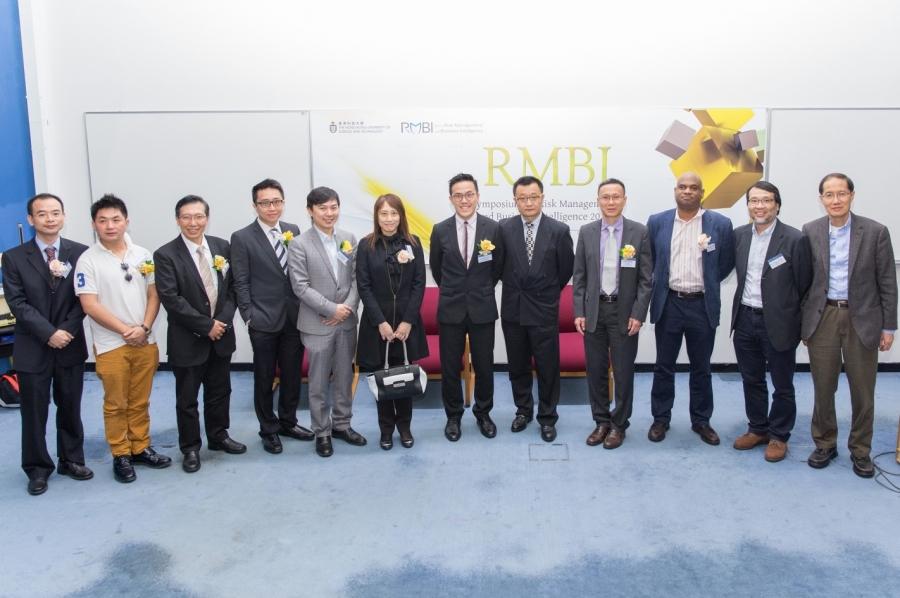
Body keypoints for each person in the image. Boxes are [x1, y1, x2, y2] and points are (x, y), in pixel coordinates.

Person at [801, 173, 897, 478]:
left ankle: (861, 450)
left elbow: (887, 282)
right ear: (821, 200)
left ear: (852, 196)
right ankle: (825, 443)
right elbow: (804, 282)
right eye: (829, 195)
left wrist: (889, 327)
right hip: (824, 317)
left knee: (862, 390)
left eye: (841, 194)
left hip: (863, 319)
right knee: (823, 386)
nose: (835, 200)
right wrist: (805, 324)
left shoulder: (875, 231)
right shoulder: (811, 231)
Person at [74, 194, 171, 483]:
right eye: (103, 221)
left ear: (127, 221)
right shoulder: (87, 260)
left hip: (145, 339)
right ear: (94, 224)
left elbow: (154, 294)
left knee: (140, 400)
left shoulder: (143, 254)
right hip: (111, 344)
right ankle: (121, 453)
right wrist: (125, 331)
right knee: (116, 403)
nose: (110, 225)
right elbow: (89, 304)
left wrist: (143, 327)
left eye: (116, 219)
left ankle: (140, 446)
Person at [2, 193, 91, 495]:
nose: (50, 218)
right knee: (35, 411)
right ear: (31, 219)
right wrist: (48, 332)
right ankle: (38, 468)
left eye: (55, 213)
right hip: (33, 347)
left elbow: (85, 299)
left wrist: (65, 330)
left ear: (64, 216)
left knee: (70, 406)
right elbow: (18, 302)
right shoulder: (13, 257)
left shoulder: (80, 253)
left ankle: (72, 459)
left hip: (70, 343)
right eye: (42, 214)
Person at [153, 195, 247, 473]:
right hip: (188, 340)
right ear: (178, 220)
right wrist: (206, 325)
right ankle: (191, 447)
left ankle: (219, 436)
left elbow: (232, 290)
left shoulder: (222, 247)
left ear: (207, 218)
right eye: (187, 217)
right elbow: (171, 299)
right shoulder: (166, 254)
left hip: (221, 336)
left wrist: (221, 321)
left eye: (199, 216)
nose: (193, 222)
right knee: (187, 398)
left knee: (220, 391)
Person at [646, 172, 735, 445]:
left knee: (701, 367)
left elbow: (726, 263)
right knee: (664, 366)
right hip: (669, 302)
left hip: (701, 304)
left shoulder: (720, 223)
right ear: (675, 191)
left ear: (702, 192)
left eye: (693, 188)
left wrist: (706, 282)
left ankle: (701, 421)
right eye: (682, 187)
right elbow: (651, 259)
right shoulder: (658, 221)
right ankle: (661, 419)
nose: (687, 191)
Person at [730, 181, 811, 462]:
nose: (759, 206)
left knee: (782, 383)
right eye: (754, 201)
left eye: (766, 200)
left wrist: (799, 323)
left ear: (777, 204)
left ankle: (779, 435)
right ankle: (758, 428)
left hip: (778, 322)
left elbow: (804, 285)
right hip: (744, 319)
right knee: (751, 379)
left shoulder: (794, 238)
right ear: (748, 206)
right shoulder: (739, 235)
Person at [230, 178, 312, 455]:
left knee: (291, 374)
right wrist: (249, 316)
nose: (271, 207)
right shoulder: (242, 238)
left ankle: (289, 421)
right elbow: (240, 282)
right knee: (264, 378)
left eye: (276, 201)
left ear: (283, 203)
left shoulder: (293, 230)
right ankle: (268, 429)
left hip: (294, 317)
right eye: (265, 203)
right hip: (262, 320)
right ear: (255, 206)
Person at [572, 178, 651, 449]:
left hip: (624, 312)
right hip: (594, 311)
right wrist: (579, 311)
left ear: (625, 200)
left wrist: (638, 314)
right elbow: (579, 276)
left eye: (616, 196)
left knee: (623, 371)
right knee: (595, 370)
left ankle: (619, 425)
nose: (611, 201)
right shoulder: (587, 231)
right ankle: (601, 422)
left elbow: (645, 279)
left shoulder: (638, 232)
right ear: (598, 201)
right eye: (605, 197)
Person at [288, 186, 365, 457]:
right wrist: (331, 309)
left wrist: (348, 308)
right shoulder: (299, 244)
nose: (329, 213)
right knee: (319, 382)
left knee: (345, 377)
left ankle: (342, 424)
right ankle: (322, 431)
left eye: (333, 207)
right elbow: (300, 286)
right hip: (317, 324)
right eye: (322, 208)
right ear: (311, 211)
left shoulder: (348, 238)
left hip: (346, 322)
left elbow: (357, 278)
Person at [429, 173, 504, 442]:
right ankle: (453, 416)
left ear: (477, 196)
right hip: (450, 309)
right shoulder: (440, 230)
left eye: (469, 194)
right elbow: (438, 270)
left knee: (484, 365)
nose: (464, 200)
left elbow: (497, 268)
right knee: (450, 366)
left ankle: (484, 413)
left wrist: (480, 289)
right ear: (451, 199)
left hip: (482, 307)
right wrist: (456, 290)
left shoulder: (493, 229)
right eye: (458, 195)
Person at [499, 176, 574, 442]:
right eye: (523, 198)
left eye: (533, 197)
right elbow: (497, 267)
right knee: (517, 364)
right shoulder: (504, 229)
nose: (528, 202)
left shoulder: (559, 230)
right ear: (515, 200)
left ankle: (547, 416)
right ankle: (523, 410)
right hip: (513, 308)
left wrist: (548, 294)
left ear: (542, 197)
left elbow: (565, 270)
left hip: (544, 308)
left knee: (547, 366)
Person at [356, 194, 428, 450]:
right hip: (378, 323)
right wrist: (381, 323)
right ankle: (386, 430)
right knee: (383, 378)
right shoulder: (366, 246)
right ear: (376, 216)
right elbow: (363, 287)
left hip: (406, 322)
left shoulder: (414, 243)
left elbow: (420, 284)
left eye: (394, 213)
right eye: (383, 213)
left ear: (401, 216)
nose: (389, 219)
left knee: (405, 376)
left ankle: (405, 428)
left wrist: (408, 321)